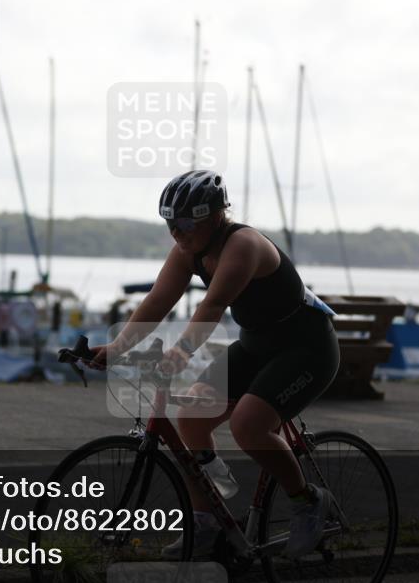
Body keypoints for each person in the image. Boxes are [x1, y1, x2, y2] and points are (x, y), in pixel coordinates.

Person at [90, 169, 340, 560]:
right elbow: (158, 300)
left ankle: (308, 500)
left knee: (248, 424)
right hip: (257, 345)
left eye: (187, 223)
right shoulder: (188, 250)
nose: (178, 232)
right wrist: (118, 346)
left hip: (306, 348)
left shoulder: (243, 244)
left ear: (215, 216)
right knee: (190, 416)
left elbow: (213, 305)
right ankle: (208, 524)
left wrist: (182, 352)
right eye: (171, 224)